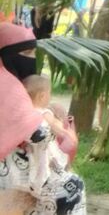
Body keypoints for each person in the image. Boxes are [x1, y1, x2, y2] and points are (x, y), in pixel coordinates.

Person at [0, 22, 85, 214]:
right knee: (72, 188)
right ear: (7, 54)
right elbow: (39, 134)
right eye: (26, 53)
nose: (32, 60)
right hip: (10, 174)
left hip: (16, 168)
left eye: (33, 53)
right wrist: (54, 123)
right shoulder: (7, 87)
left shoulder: (12, 83)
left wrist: (46, 109)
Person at [23, 74, 79, 167]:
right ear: (42, 96)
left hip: (27, 152)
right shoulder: (44, 113)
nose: (50, 97)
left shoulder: (25, 112)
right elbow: (55, 126)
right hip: (45, 152)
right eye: (49, 93)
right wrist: (66, 132)